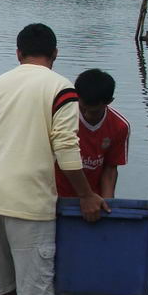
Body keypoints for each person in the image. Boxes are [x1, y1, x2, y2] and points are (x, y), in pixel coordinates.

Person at [0, 23, 109, 295]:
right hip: (29, 201)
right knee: (36, 293)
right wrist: (86, 195)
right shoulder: (60, 88)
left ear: (18, 53)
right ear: (55, 53)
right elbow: (67, 148)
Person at [55, 68, 130, 199]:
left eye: (94, 111)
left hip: (93, 200)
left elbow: (110, 168)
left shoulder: (120, 126)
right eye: (83, 109)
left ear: (109, 101)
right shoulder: (61, 118)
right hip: (56, 196)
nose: (87, 115)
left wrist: (108, 204)